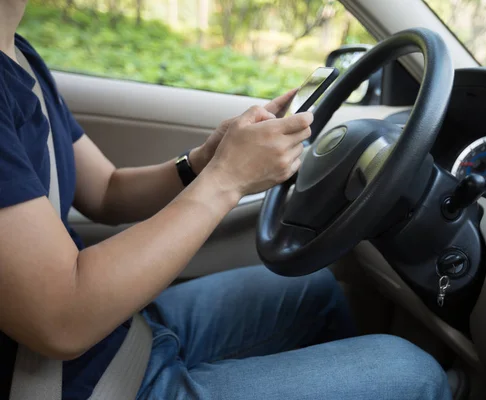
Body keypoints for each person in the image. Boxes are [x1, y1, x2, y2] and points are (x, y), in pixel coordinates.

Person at [0, 1, 452, 399]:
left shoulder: (18, 56)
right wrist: (227, 178)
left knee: (310, 290)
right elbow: (62, 319)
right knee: (414, 373)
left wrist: (202, 161)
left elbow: (107, 191)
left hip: (116, 337)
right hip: (66, 382)